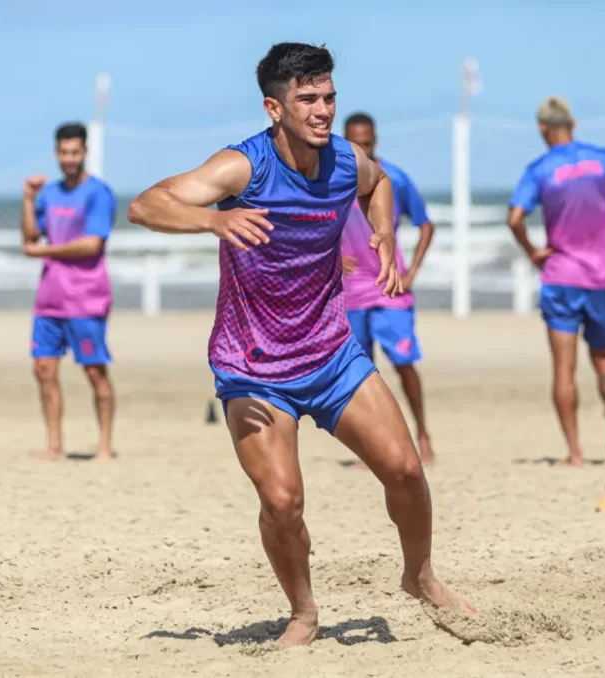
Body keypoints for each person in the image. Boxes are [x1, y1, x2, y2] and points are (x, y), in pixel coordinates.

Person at [127, 42, 473, 647]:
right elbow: (145, 204)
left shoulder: (345, 160)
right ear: (274, 107)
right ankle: (304, 612)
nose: (323, 110)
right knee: (283, 501)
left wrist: (383, 234)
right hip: (254, 366)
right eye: (307, 99)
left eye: (329, 97)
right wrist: (215, 219)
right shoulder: (244, 167)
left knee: (404, 469)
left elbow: (379, 183)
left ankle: (419, 577)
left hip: (332, 354)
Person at [507, 96, 605, 468]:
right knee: (604, 360)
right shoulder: (603, 158)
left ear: (542, 128)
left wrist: (532, 252)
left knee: (563, 369)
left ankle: (575, 453)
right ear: (573, 124)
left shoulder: (539, 168)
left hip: (562, 276)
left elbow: (515, 218)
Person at [340, 112, 437, 463]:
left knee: (404, 363)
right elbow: (307, 224)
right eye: (356, 144)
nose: (363, 149)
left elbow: (426, 225)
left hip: (390, 288)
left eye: (367, 143)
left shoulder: (392, 178)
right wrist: (331, 256)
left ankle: (422, 433)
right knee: (358, 375)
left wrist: (412, 272)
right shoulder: (331, 179)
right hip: (349, 293)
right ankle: (373, 447)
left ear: (375, 140)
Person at [20, 122, 118, 462]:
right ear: (56, 153)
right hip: (49, 299)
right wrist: (28, 199)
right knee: (43, 370)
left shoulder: (99, 193)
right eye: (64, 152)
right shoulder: (49, 194)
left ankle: (104, 446)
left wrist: (46, 251)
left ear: (85, 152)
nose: (69, 158)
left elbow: (92, 244)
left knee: (94, 371)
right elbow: (30, 237)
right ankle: (54, 445)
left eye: (75, 152)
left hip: (86, 298)